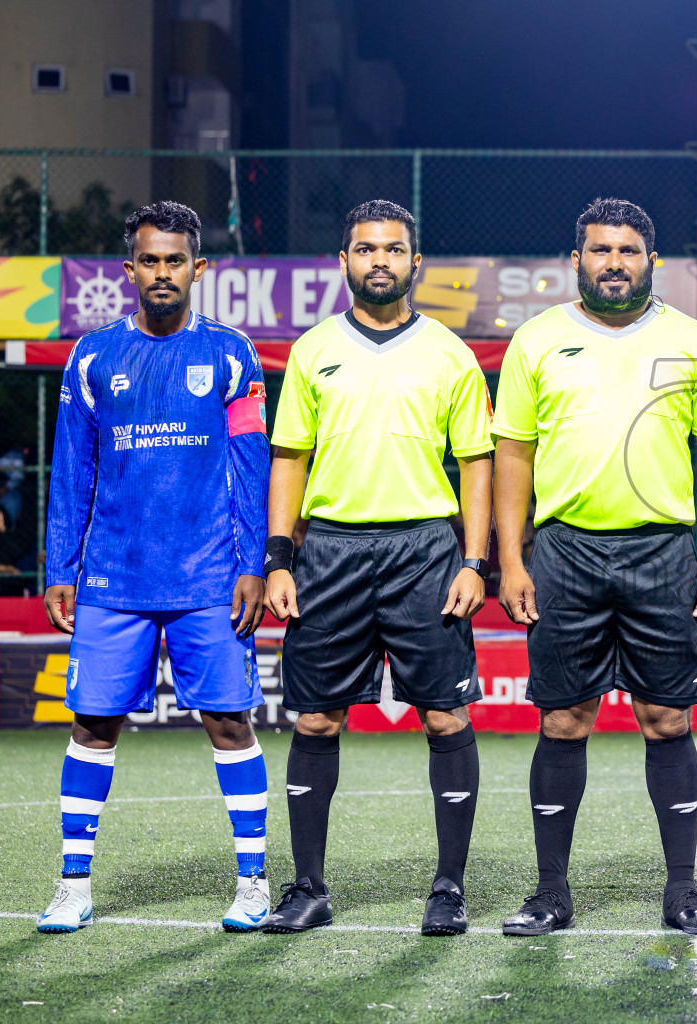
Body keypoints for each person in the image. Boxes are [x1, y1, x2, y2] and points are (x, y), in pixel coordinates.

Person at [492, 197, 697, 937]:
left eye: (628, 251)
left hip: (661, 553)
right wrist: (511, 558)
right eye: (600, 250)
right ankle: (550, 893)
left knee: (667, 719)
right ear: (577, 260)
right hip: (565, 552)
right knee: (563, 719)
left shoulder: (693, 341)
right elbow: (513, 456)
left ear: (652, 261)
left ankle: (682, 891)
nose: (614, 263)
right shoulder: (537, 340)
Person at [35, 201, 272, 934]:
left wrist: (253, 562)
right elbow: (71, 470)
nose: (161, 272)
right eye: (149, 260)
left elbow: (251, 466)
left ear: (199, 268)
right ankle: (74, 884)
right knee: (93, 725)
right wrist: (60, 565)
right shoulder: (92, 356)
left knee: (229, 723)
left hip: (210, 578)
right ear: (129, 269)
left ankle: (253, 881)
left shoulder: (231, 354)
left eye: (175, 260)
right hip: (114, 577)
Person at [262, 200, 492, 937]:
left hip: (424, 550)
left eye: (393, 249)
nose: (380, 261)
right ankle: (308, 887)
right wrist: (279, 559)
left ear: (415, 263)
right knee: (317, 718)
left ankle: (449, 887)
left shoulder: (450, 354)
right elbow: (289, 458)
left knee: (445, 715)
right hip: (329, 551)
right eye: (366, 249)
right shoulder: (312, 351)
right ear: (344, 262)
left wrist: (475, 560)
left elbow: (476, 464)